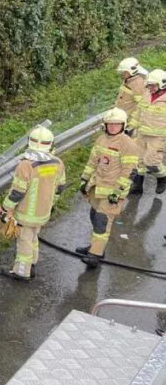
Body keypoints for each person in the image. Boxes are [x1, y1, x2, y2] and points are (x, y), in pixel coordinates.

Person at [0, 126, 66, 281]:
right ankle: (32, 263)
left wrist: (5, 209)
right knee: (34, 237)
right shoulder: (58, 163)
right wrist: (51, 204)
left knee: (24, 241)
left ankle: (22, 271)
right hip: (44, 212)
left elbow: (17, 193)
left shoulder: (25, 165)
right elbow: (60, 187)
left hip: (26, 214)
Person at [76, 108, 140, 267]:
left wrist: (117, 192)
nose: (112, 127)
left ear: (123, 125)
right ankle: (96, 247)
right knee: (94, 216)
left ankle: (95, 256)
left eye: (116, 124)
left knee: (101, 220)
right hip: (97, 187)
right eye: (110, 124)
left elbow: (129, 171)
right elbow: (92, 162)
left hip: (113, 192)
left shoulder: (128, 144)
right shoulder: (101, 140)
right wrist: (84, 180)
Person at [131, 68, 166, 195]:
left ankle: (162, 178)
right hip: (141, 133)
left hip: (158, 137)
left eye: (153, 85)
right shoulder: (146, 94)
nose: (150, 87)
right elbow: (138, 112)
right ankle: (138, 185)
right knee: (138, 160)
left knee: (151, 162)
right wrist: (131, 126)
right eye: (149, 85)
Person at [113, 57, 147, 136]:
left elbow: (141, 106)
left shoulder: (137, 84)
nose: (122, 74)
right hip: (122, 120)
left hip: (131, 124)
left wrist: (131, 126)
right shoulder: (128, 81)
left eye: (124, 72)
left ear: (131, 71)